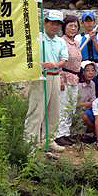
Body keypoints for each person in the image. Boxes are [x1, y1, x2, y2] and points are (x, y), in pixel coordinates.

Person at [24, 10, 68, 152]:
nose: (55, 27)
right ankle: (30, 142)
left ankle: (48, 140)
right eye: (52, 23)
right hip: (40, 77)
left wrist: (55, 65)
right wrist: (41, 65)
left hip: (55, 76)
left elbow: (64, 59)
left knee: (54, 110)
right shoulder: (37, 39)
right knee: (37, 110)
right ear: (45, 23)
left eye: (57, 24)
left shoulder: (60, 41)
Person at [56, 15, 82, 147]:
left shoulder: (76, 43)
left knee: (71, 107)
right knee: (63, 106)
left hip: (74, 78)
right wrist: (59, 78)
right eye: (70, 25)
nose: (73, 28)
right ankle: (59, 135)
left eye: (75, 26)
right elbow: (58, 59)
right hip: (64, 77)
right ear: (64, 27)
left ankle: (66, 133)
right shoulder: (61, 41)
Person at [76, 61, 97, 141]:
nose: (90, 73)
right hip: (76, 111)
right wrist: (86, 104)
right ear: (82, 72)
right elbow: (73, 104)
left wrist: (90, 104)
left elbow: (93, 100)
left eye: (92, 70)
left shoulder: (92, 84)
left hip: (87, 109)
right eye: (87, 70)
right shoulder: (77, 84)